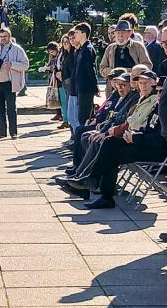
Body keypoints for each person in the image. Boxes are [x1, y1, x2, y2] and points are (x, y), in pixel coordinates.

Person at [63, 70, 165, 209]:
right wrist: (134, 134)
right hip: (142, 141)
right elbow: (144, 128)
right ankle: (94, 183)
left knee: (111, 153)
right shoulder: (155, 106)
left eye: (160, 91)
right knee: (109, 143)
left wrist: (135, 136)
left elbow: (157, 138)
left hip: (155, 150)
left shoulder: (160, 109)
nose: (158, 95)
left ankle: (97, 186)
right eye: (158, 92)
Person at [0, 27, 29, 139]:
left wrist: (12, 64)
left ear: (9, 36)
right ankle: (2, 131)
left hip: (10, 83)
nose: (2, 39)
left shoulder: (17, 49)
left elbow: (25, 65)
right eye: (0, 37)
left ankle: (13, 132)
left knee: (11, 108)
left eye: (5, 36)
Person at [99, 20, 151, 92]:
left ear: (129, 33)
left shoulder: (138, 46)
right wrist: (114, 73)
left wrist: (128, 73)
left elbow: (147, 66)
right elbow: (102, 68)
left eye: (123, 33)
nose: (120, 35)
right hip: (113, 88)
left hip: (133, 88)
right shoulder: (110, 48)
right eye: (118, 33)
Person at [71, 21, 99, 126]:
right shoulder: (80, 49)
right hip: (80, 88)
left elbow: (91, 69)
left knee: (84, 116)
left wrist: (95, 87)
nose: (75, 35)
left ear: (84, 33)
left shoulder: (88, 49)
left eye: (77, 32)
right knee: (80, 115)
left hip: (86, 88)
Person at [40, 41, 62, 121]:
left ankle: (61, 114)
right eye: (49, 52)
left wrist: (51, 68)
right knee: (54, 96)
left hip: (58, 79)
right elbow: (49, 67)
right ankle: (58, 113)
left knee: (59, 97)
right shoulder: (51, 58)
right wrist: (46, 69)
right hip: (52, 79)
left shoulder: (59, 57)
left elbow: (57, 67)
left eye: (52, 51)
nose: (51, 53)